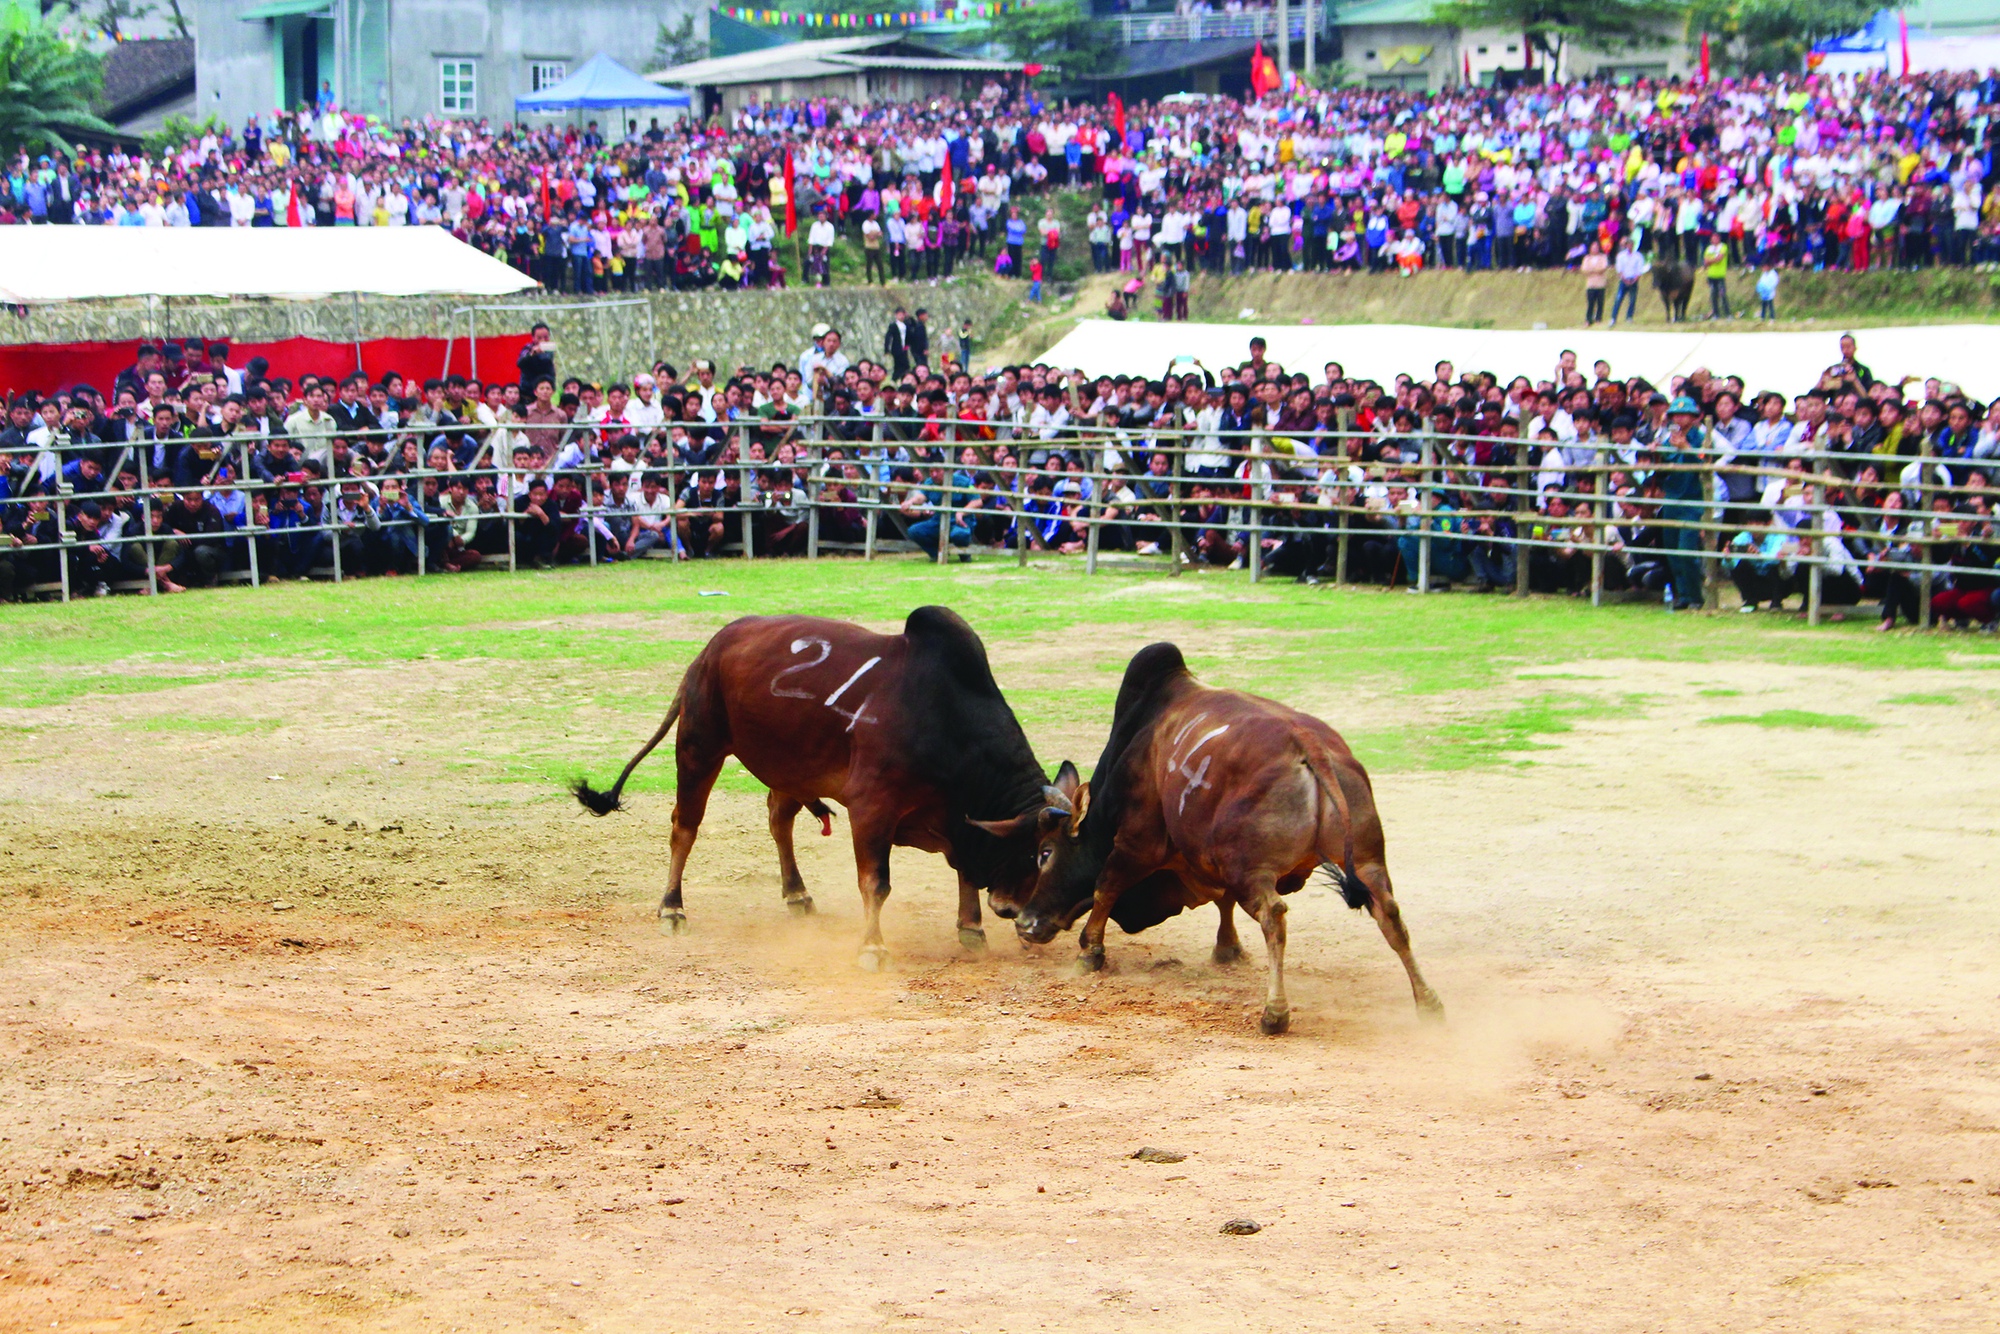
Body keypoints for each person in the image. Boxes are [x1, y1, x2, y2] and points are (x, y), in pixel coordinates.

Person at [1581, 241, 1609, 326]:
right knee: (1590, 303)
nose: (1595, 249)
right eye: (1593, 247)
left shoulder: (1603, 257)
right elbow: (1584, 270)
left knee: (1600, 303)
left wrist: (1592, 270)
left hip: (1600, 284)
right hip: (1590, 284)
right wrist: (1596, 270)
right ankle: (1588, 320)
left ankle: (1598, 319)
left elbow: (1603, 268)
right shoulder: (1587, 258)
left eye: (1596, 247)